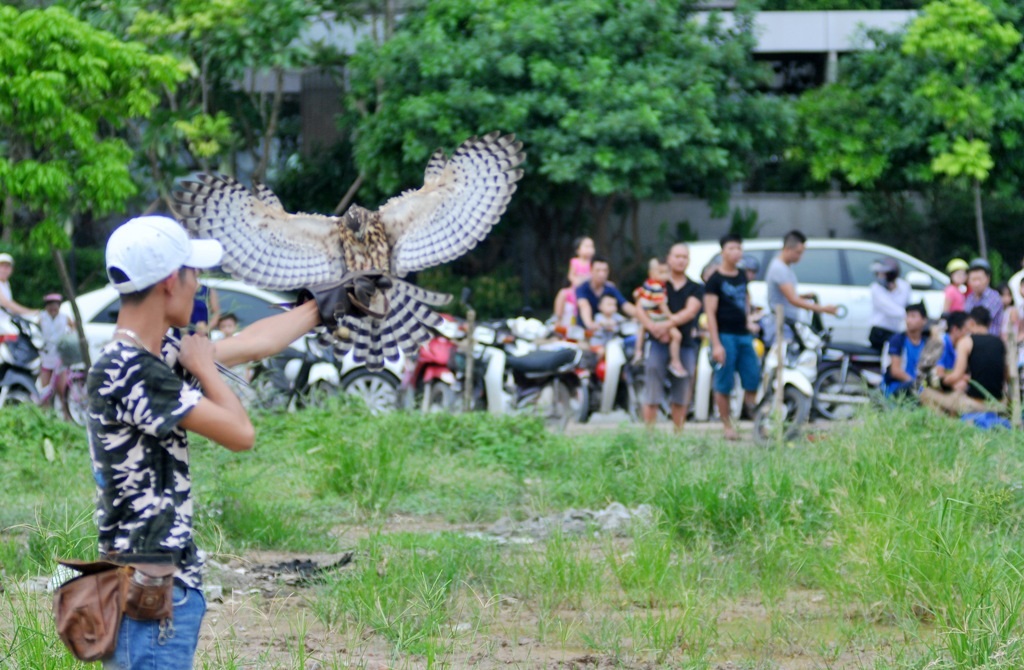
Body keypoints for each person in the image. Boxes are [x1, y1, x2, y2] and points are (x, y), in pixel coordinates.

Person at [86, 215, 322, 669]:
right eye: (196, 274)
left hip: (155, 585)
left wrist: (320, 309)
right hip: (149, 596)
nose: (200, 286)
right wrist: (207, 369)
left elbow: (253, 343)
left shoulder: (150, 353)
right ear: (172, 281)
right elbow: (241, 433)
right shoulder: (132, 371)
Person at [635, 243, 703, 432]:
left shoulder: (695, 288)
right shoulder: (656, 283)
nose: (681, 260)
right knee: (652, 388)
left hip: (685, 344)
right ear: (669, 258)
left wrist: (663, 326)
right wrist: (652, 328)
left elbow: (689, 313)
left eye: (685, 257)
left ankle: (678, 435)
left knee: (682, 391)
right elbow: (639, 308)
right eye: (677, 256)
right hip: (657, 343)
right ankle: (648, 434)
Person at [703, 234, 760, 441]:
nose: (737, 252)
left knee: (753, 376)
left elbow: (745, 298)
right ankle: (727, 426)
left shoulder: (743, 275)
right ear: (723, 252)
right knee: (724, 382)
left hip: (743, 335)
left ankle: (753, 418)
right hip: (724, 335)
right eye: (732, 248)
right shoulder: (715, 280)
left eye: (739, 248)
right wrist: (716, 344)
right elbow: (710, 312)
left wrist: (748, 320)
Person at [921, 306, 1007, 416]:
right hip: (999, 403)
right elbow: (1006, 377)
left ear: (971, 322)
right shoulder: (1000, 343)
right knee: (958, 391)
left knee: (925, 393)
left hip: (975, 403)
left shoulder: (966, 342)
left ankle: (949, 425)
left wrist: (941, 381)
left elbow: (956, 375)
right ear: (989, 324)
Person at [764, 230, 838, 341]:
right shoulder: (779, 268)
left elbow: (786, 295)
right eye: (798, 252)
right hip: (781, 324)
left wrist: (803, 296)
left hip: (788, 322)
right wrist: (823, 309)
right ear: (788, 249)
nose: (800, 257)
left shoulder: (785, 266)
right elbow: (793, 300)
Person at [631, 258, 686, 378]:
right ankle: (675, 361)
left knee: (641, 330)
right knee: (677, 336)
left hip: (649, 317)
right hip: (658, 318)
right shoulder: (657, 287)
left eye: (666, 272)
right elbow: (661, 304)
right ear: (652, 273)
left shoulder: (648, 283)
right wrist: (671, 317)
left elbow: (636, 293)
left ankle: (638, 352)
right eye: (661, 272)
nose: (665, 275)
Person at [37, 293, 75, 417]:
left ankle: (66, 416)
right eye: (50, 306)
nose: (53, 309)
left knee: (62, 390)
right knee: (45, 391)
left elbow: (74, 329)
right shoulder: (41, 318)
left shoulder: (65, 317)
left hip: (60, 359)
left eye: (55, 306)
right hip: (46, 357)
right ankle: (46, 416)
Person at [575, 256, 637, 328]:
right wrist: (589, 324)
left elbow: (625, 305)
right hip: (585, 330)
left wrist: (641, 316)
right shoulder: (582, 288)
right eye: (598, 270)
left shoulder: (611, 288)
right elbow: (584, 305)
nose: (602, 274)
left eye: (605, 270)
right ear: (591, 270)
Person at [881, 302, 928, 398]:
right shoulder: (898, 340)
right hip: (897, 387)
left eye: (913, 316)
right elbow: (895, 371)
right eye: (908, 316)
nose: (909, 320)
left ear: (924, 320)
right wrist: (915, 384)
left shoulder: (926, 342)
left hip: (919, 387)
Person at [868, 258, 911, 351]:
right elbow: (890, 309)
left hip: (897, 330)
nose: (880, 277)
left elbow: (907, 305)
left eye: (883, 274)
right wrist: (910, 316)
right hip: (880, 331)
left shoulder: (904, 286)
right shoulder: (875, 288)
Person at [963, 258, 1003, 336]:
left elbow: (981, 320)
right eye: (973, 280)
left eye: (979, 279)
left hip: (991, 341)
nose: (977, 283)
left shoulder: (994, 297)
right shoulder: (969, 299)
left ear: (987, 279)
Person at [0, 253, 38, 326]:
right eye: (1, 266)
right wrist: (29, 312)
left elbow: (9, 304)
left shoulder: (6, 283)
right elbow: (6, 303)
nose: (4, 269)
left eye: (7, 266)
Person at [590, 294, 625, 358]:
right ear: (600, 306)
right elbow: (602, 322)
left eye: (614, 305)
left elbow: (624, 320)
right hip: (599, 344)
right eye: (609, 305)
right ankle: (592, 366)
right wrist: (609, 323)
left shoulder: (616, 316)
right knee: (601, 352)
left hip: (612, 344)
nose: (612, 307)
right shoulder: (599, 316)